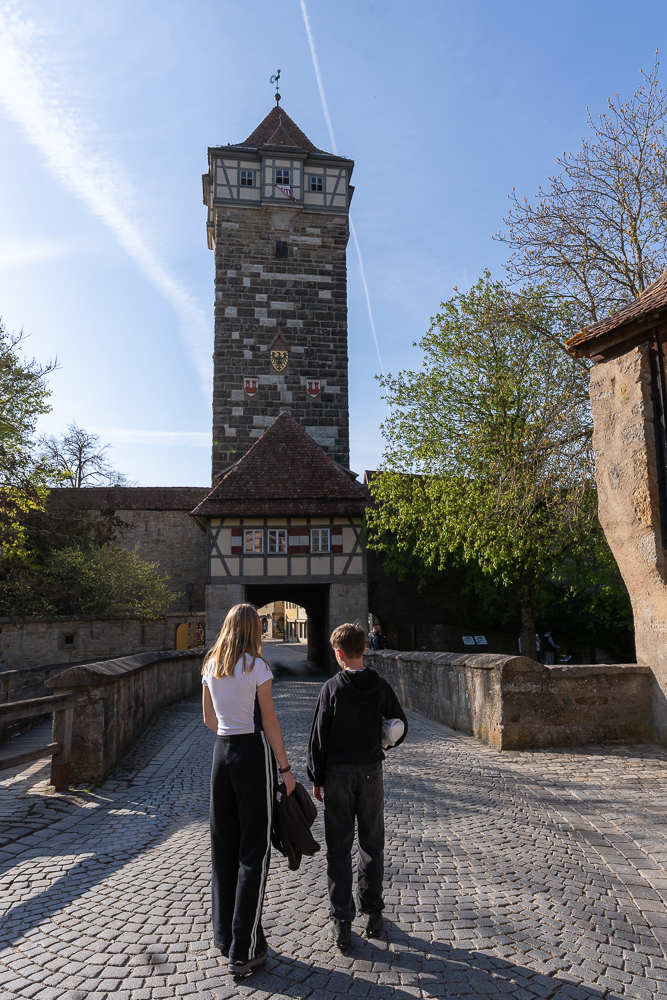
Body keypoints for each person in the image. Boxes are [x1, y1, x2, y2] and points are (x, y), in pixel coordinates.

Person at [202, 603, 296, 978]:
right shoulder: (257, 667)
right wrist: (286, 769)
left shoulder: (210, 666)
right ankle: (244, 949)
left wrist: (229, 730)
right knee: (253, 851)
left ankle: (225, 937)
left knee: (224, 847)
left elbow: (208, 719)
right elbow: (269, 720)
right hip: (251, 754)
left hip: (221, 755)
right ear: (254, 630)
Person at [307, 622, 407, 952]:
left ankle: (342, 922)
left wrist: (316, 777)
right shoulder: (379, 686)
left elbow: (318, 738)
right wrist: (383, 737)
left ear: (338, 654)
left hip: (337, 774)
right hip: (370, 771)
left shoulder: (332, 688)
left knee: (339, 846)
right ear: (364, 649)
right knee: (371, 843)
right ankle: (373, 914)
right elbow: (400, 726)